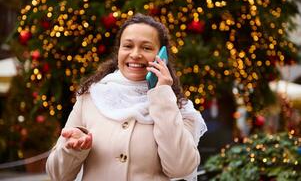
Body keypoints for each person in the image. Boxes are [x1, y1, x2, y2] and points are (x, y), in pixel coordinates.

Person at [46, 13, 207, 181]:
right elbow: (57, 175)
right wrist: (73, 149)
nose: (135, 54)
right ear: (119, 51)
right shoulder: (91, 97)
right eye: (128, 46)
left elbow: (180, 168)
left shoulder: (179, 108)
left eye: (146, 48)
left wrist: (162, 96)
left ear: (162, 56)